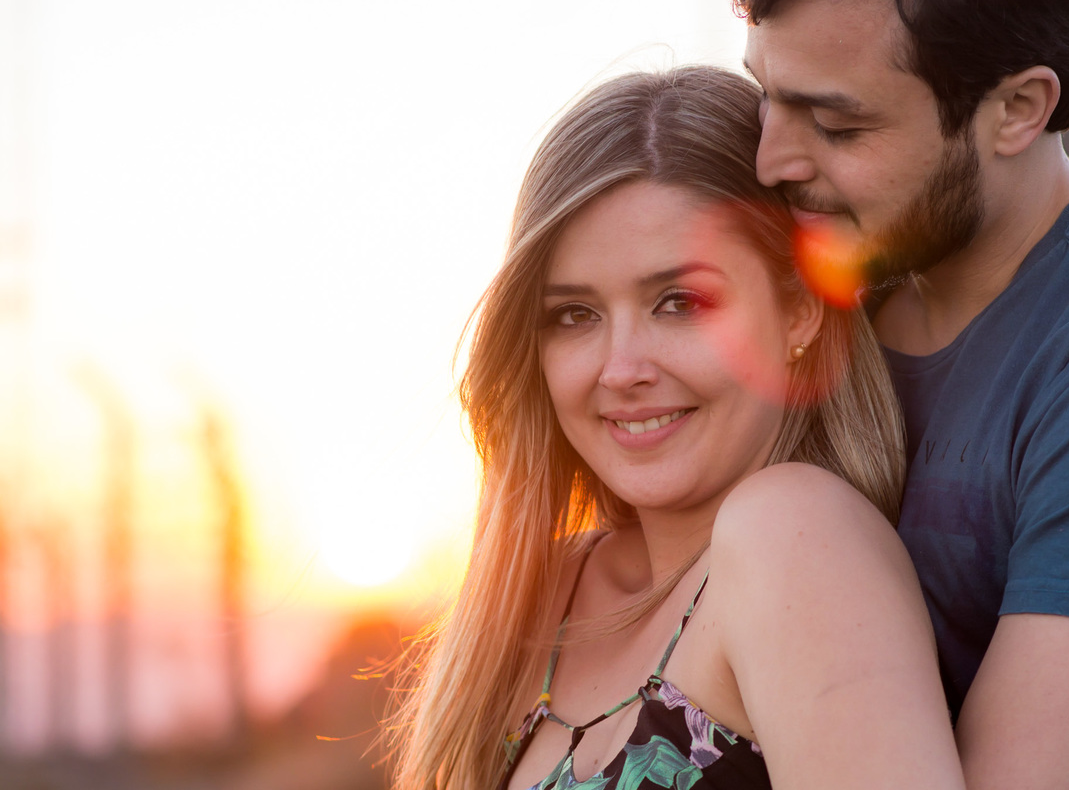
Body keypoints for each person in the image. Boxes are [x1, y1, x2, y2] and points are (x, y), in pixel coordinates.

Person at [386, 66, 966, 790]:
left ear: (800, 309)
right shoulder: (543, 593)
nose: (620, 369)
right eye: (575, 315)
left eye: (679, 302)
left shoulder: (792, 536)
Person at [737, 0, 1069, 788]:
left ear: (1018, 108)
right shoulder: (839, 287)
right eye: (765, 97)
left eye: (838, 125)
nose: (770, 162)